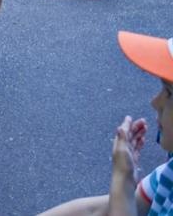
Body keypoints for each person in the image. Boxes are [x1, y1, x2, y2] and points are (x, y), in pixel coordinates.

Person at [35, 27, 173, 216]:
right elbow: (97, 210)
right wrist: (123, 193)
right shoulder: (169, 173)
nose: (156, 102)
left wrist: (122, 184)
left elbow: (121, 206)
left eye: (169, 93)